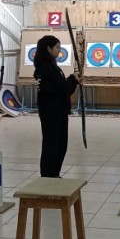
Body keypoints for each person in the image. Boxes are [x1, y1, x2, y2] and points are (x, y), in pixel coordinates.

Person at [34, 35, 80, 178]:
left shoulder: (50, 66)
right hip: (51, 112)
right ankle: (48, 176)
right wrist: (73, 79)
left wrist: (73, 81)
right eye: (57, 47)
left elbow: (63, 88)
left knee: (60, 145)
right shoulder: (46, 68)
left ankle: (54, 173)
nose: (59, 50)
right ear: (48, 49)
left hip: (58, 111)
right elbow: (63, 87)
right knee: (52, 145)